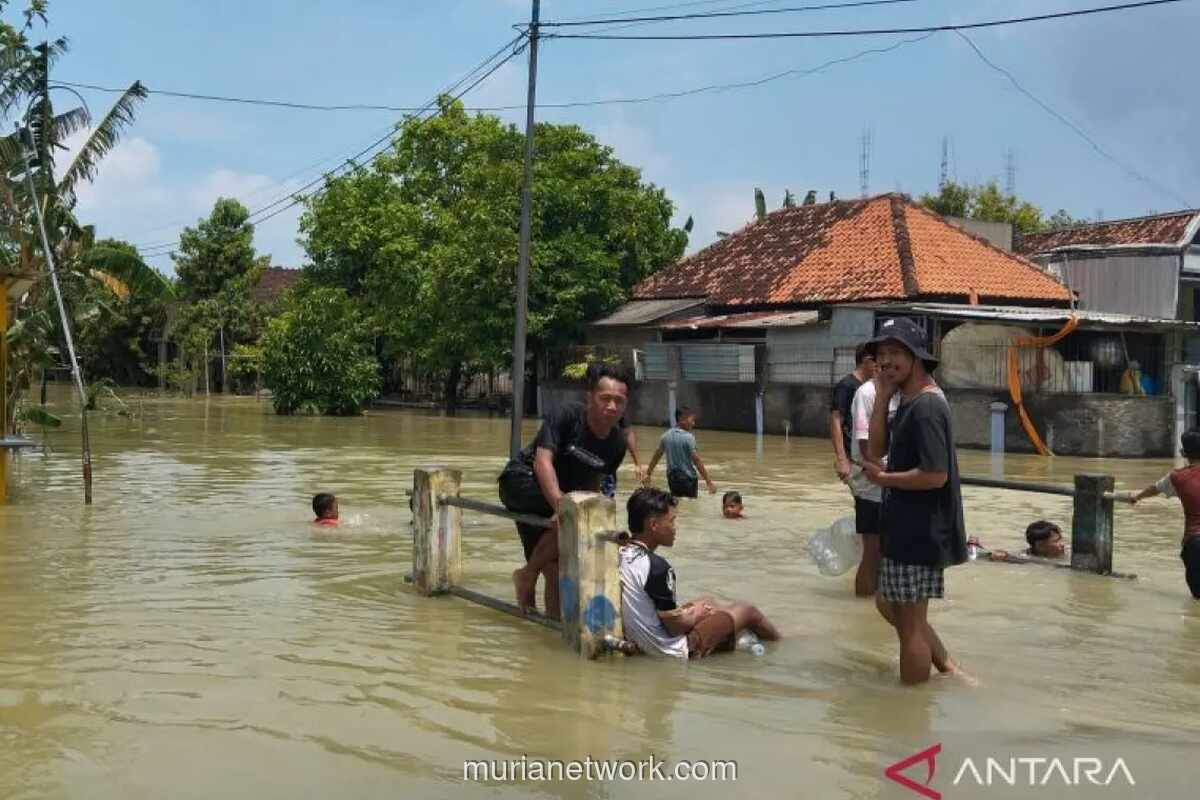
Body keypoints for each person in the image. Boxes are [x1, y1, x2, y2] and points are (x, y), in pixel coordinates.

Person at [862, 317, 968, 685]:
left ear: (916, 356)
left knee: (910, 629)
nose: (886, 361)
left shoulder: (926, 407)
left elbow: (935, 475)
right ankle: (950, 671)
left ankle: (911, 709)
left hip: (920, 531)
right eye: (881, 355)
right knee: (889, 605)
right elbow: (875, 452)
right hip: (904, 526)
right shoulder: (905, 399)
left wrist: (885, 479)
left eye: (895, 353)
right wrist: (883, 396)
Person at [499, 362, 630, 617]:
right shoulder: (567, 416)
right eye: (605, 399)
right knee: (573, 519)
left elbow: (596, 486)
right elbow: (542, 461)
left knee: (557, 566)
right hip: (522, 482)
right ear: (589, 398)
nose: (612, 407)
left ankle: (551, 631)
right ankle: (528, 575)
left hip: (561, 498)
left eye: (619, 401)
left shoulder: (617, 443)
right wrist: (563, 507)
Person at [617, 487, 780, 659]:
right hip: (675, 650)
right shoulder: (658, 567)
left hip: (645, 639)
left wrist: (695, 611)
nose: (675, 528)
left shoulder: (620, 552)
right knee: (748, 610)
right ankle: (780, 644)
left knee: (708, 601)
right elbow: (677, 628)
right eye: (672, 521)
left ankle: (729, 626)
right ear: (654, 525)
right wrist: (696, 615)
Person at [848, 366, 900, 596]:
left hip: (896, 484)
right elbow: (864, 445)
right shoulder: (866, 393)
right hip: (871, 486)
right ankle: (862, 607)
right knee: (873, 551)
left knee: (891, 551)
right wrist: (887, 474)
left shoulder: (904, 391)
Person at [1130, 429, 1200, 598]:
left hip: (1195, 543)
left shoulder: (1177, 477)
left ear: (1183, 453)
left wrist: (1137, 497)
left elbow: (1155, 489)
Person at [830, 345, 877, 484]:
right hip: (853, 457)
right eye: (877, 361)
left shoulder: (869, 387)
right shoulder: (846, 386)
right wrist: (842, 459)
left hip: (866, 454)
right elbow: (836, 420)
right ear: (867, 361)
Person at [645, 407, 716, 499]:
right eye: (692, 420)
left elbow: (656, 456)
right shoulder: (689, 437)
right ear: (682, 419)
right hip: (688, 479)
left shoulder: (665, 436)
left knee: (677, 503)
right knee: (690, 506)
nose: (693, 423)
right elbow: (697, 460)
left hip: (672, 479)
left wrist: (648, 473)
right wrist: (708, 481)